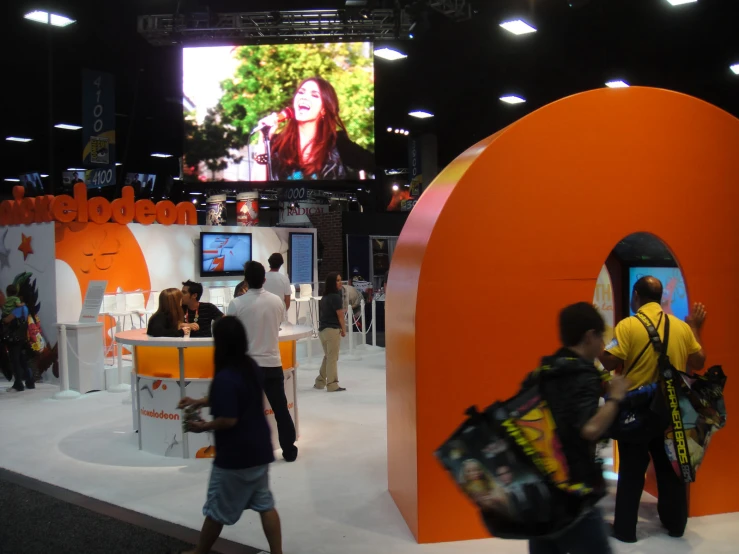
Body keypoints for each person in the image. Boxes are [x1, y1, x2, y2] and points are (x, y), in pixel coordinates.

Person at [600, 276, 706, 543]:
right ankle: (675, 525)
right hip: (671, 410)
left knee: (632, 472)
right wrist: (695, 327)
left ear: (636, 296)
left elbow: (609, 362)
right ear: (659, 298)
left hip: (636, 410)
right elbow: (699, 361)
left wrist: (600, 346)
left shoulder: (628, 326)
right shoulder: (681, 328)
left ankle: (625, 530)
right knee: (670, 469)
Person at [527, 302, 629, 554]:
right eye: (601, 337)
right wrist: (615, 396)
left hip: (543, 488)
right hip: (575, 491)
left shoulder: (545, 369)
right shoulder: (583, 375)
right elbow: (590, 429)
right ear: (589, 336)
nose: (602, 346)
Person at [176, 317, 283, 554]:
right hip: (259, 449)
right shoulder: (250, 367)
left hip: (236, 456)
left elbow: (229, 419)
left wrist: (201, 427)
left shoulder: (225, 377)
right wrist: (200, 400)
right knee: (265, 504)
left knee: (216, 508)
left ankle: (199, 552)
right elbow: (239, 399)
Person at [227, 262, 298, 462]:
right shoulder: (277, 302)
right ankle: (289, 449)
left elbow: (229, 333)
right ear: (264, 279)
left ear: (245, 279)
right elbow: (280, 324)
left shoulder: (237, 304)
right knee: (280, 409)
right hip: (272, 362)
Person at [252, 77, 373, 181]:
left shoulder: (338, 145)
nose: (304, 97)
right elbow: (257, 190)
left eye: (314, 95)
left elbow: (375, 165)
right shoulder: (276, 145)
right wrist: (263, 139)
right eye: (301, 92)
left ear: (324, 110)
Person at [314, 272, 346, 392]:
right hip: (332, 330)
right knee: (332, 358)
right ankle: (332, 384)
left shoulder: (325, 297)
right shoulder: (335, 297)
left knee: (328, 357)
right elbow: (340, 315)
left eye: (340, 280)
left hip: (323, 330)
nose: (340, 282)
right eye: (337, 280)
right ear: (333, 283)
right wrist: (344, 329)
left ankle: (320, 381)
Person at [2, 285, 33, 392]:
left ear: (7, 293)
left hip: (13, 338)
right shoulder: (24, 308)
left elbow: (7, 320)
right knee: (23, 360)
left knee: (15, 361)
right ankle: (30, 381)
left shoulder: (14, 309)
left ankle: (18, 384)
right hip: (22, 336)